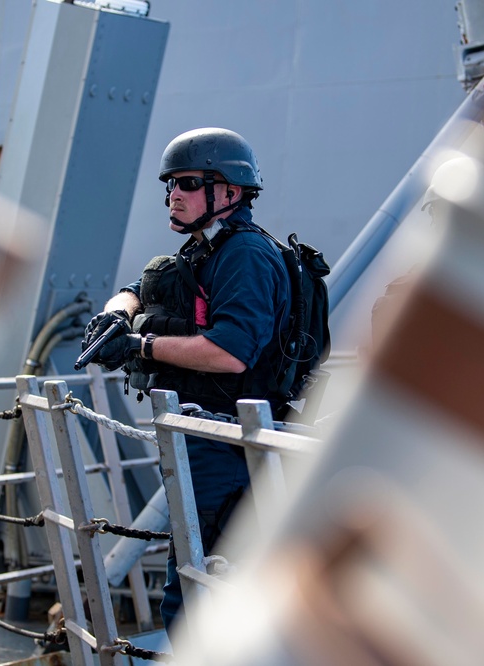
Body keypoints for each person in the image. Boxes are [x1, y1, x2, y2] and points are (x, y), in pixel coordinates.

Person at [80, 127, 292, 635]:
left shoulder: (244, 255)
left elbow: (230, 352)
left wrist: (138, 346)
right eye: (171, 184)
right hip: (204, 437)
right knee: (196, 581)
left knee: (195, 596)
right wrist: (117, 315)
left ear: (230, 193)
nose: (174, 193)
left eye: (190, 183)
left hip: (229, 444)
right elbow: (141, 288)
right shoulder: (205, 248)